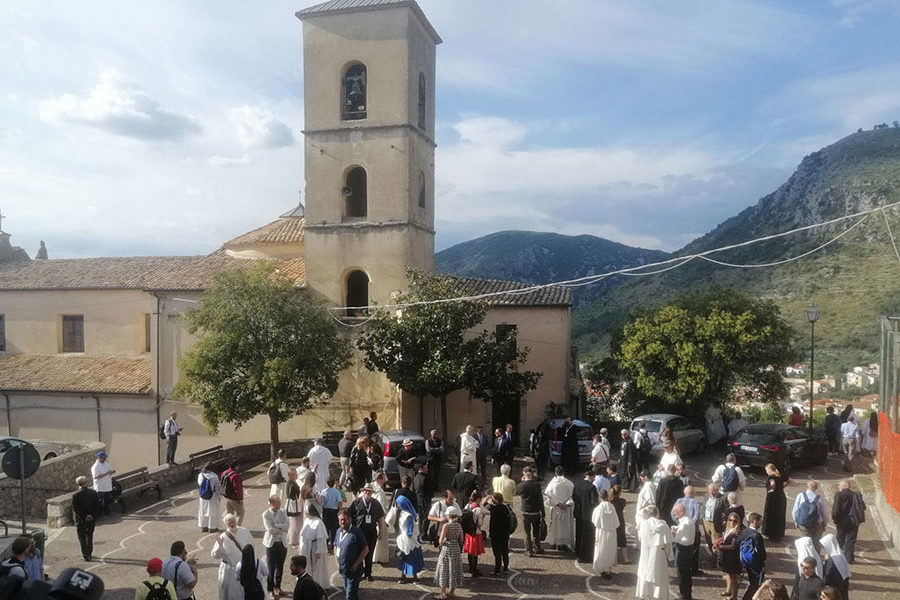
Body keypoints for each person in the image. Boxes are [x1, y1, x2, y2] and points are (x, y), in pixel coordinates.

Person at [210, 513, 253, 600]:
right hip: (229, 571)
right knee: (228, 594)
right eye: (229, 523)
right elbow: (215, 555)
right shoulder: (223, 537)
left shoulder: (245, 531)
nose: (232, 524)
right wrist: (220, 545)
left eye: (233, 522)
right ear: (226, 524)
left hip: (244, 568)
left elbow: (252, 547)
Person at [636, 505, 673, 600]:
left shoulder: (643, 524)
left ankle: (645, 594)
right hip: (658, 553)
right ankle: (658, 596)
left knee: (645, 572)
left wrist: (646, 511)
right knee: (658, 574)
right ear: (657, 513)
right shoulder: (663, 525)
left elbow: (639, 514)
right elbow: (668, 542)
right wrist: (669, 555)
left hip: (646, 552)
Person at [350, 483, 386, 582]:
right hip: (359, 532)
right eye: (366, 490)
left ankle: (368, 573)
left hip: (371, 532)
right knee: (359, 553)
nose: (367, 492)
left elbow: (380, 518)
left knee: (369, 553)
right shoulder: (356, 502)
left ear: (372, 492)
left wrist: (381, 530)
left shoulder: (376, 503)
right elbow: (350, 516)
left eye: (369, 491)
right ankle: (359, 572)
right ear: (363, 491)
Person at [333, 509, 368, 600]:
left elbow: (365, 550)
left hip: (354, 570)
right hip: (343, 569)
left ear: (350, 520)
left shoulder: (357, 532)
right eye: (341, 520)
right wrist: (336, 562)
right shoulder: (338, 532)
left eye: (345, 519)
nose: (343, 522)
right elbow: (335, 546)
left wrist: (356, 563)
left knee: (349, 595)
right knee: (350, 592)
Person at [435, 505, 464, 599]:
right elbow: (461, 539)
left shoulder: (446, 526)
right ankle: (452, 592)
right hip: (456, 548)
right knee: (454, 569)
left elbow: (441, 540)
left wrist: (440, 543)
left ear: (448, 515)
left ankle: (443, 593)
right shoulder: (459, 525)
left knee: (444, 569)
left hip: (447, 548)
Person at [832, 479, 865, 563]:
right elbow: (863, 507)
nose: (838, 487)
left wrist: (836, 520)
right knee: (851, 540)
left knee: (840, 539)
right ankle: (849, 559)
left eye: (839, 485)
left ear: (844, 486)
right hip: (854, 521)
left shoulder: (839, 495)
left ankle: (837, 557)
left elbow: (835, 510)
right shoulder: (856, 495)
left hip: (842, 522)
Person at [299, 505, 331, 591]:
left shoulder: (319, 522)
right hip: (307, 548)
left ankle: (320, 584)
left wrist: (319, 551)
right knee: (308, 567)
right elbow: (303, 536)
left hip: (315, 548)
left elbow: (321, 539)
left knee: (317, 568)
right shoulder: (306, 520)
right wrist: (301, 547)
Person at [393, 495, 424, 584]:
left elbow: (409, 531)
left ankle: (414, 577)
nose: (397, 505)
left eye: (398, 503)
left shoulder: (409, 516)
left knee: (410, 558)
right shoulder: (403, 512)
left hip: (410, 540)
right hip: (404, 539)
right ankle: (403, 576)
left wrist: (404, 539)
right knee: (404, 558)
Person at [544, 465, 575, 552]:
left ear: (555, 473)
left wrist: (557, 504)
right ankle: (564, 544)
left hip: (556, 509)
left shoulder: (552, 484)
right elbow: (573, 496)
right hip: (566, 509)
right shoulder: (569, 483)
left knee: (555, 527)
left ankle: (555, 543)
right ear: (564, 472)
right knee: (565, 527)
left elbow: (548, 497)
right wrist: (566, 504)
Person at [262, 495, 288, 596]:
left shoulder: (283, 512)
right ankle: (270, 588)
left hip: (282, 543)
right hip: (271, 544)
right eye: (278, 502)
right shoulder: (265, 514)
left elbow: (287, 525)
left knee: (280, 566)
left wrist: (276, 525)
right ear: (272, 503)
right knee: (271, 567)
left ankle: (278, 586)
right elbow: (270, 530)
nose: (280, 504)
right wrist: (281, 528)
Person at [515, 467, 545, 556]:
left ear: (524, 474)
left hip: (526, 511)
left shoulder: (521, 485)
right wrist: (543, 512)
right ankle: (537, 547)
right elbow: (540, 500)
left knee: (527, 532)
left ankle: (529, 550)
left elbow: (517, 492)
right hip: (536, 511)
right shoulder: (537, 485)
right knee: (536, 531)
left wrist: (522, 482)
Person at [572, 469, 598, 564]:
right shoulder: (592, 487)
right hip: (588, 515)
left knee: (579, 534)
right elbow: (594, 502)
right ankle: (587, 555)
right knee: (588, 537)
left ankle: (578, 553)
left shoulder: (577, 484)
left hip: (579, 514)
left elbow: (574, 497)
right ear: (591, 477)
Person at [72, 475, 100, 561]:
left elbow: (76, 509)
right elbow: (97, 506)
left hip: (80, 519)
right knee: (89, 535)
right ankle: (89, 553)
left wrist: (84, 516)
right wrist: (91, 515)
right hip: (91, 518)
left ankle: (85, 554)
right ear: (86, 483)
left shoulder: (75, 495)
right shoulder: (93, 493)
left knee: (82, 537)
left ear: (78, 484)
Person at [592, 489, 619, 579]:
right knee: (609, 550)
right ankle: (608, 568)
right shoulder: (612, 507)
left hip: (601, 531)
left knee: (601, 549)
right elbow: (617, 522)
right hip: (611, 532)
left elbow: (595, 521)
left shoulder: (598, 508)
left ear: (600, 497)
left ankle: (602, 569)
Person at [793, 481, 827, 551]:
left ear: (807, 487)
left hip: (803, 523)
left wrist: (796, 522)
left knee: (805, 542)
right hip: (816, 524)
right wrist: (824, 524)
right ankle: (816, 558)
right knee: (816, 542)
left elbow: (795, 511)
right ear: (816, 488)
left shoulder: (800, 495)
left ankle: (806, 558)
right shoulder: (819, 498)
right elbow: (823, 513)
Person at [484, 492, 513, 575]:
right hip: (505, 532)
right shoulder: (506, 507)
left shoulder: (493, 508)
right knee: (504, 550)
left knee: (497, 552)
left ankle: (497, 569)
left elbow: (483, 506)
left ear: (495, 500)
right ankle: (506, 568)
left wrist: (487, 498)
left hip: (495, 532)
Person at [677, 485, 702, 575]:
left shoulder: (678, 501)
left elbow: (673, 514)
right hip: (693, 530)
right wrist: (691, 524)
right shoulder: (695, 502)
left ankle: (683, 566)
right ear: (692, 493)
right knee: (694, 550)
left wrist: (679, 522)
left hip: (681, 528)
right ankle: (693, 569)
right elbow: (697, 515)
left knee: (681, 548)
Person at [718, 512, 744, 600]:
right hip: (727, 557)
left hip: (733, 558)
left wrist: (720, 547)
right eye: (730, 520)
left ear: (738, 522)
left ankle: (734, 596)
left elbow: (733, 546)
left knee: (734, 578)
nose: (732, 522)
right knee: (728, 575)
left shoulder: (737, 532)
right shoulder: (728, 530)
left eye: (735, 521)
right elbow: (724, 539)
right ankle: (728, 590)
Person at [672, 503, 695, 600]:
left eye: (676, 512)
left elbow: (685, 540)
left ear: (680, 512)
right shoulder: (687, 520)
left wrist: (674, 536)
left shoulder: (685, 523)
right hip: (687, 550)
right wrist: (677, 531)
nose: (674, 514)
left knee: (682, 573)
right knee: (686, 573)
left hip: (683, 550)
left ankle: (684, 595)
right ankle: (687, 593)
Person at [703, 482, 728, 567]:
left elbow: (727, 511)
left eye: (714, 491)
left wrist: (724, 521)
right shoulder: (706, 496)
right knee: (708, 540)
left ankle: (717, 560)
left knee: (716, 543)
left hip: (715, 523)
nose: (712, 493)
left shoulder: (723, 498)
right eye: (710, 491)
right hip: (706, 522)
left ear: (717, 490)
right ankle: (713, 556)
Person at [462, 490, 486, 577]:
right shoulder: (478, 510)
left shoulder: (468, 506)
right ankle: (474, 570)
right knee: (475, 553)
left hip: (468, 532)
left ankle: (470, 568)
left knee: (469, 552)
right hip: (476, 533)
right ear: (479, 499)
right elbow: (479, 523)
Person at [371, 472, 392, 565]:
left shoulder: (371, 486)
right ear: (380, 479)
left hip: (372, 516)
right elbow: (381, 506)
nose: (384, 481)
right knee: (380, 537)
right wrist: (385, 518)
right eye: (383, 479)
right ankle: (378, 557)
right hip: (379, 516)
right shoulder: (379, 491)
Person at [820, 534, 850, 600]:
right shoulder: (839, 555)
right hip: (842, 587)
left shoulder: (832, 562)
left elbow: (827, 576)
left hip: (833, 591)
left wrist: (825, 563)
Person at [762, 463, 786, 541]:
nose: (766, 472)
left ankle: (771, 533)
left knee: (771, 515)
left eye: (766, 470)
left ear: (769, 469)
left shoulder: (771, 477)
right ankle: (779, 533)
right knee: (779, 515)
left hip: (773, 498)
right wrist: (781, 487)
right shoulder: (779, 476)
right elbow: (789, 480)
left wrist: (771, 490)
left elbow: (772, 485)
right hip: (781, 497)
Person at [320, 477, 344, 550]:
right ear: (334, 483)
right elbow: (340, 502)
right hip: (334, 511)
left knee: (326, 527)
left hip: (326, 510)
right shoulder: (336, 492)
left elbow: (321, 502)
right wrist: (340, 510)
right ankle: (333, 544)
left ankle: (326, 543)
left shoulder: (323, 491)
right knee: (334, 528)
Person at [197, 462, 221, 533]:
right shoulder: (214, 476)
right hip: (212, 496)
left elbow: (199, 484)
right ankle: (212, 527)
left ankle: (203, 526)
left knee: (203, 511)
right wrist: (219, 497)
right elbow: (217, 488)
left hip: (203, 496)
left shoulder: (200, 475)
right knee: (212, 512)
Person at [91, 451, 116, 515]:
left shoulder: (106, 463)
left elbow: (109, 470)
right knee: (100, 501)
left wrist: (112, 472)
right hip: (100, 487)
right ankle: (99, 513)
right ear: (99, 458)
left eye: (105, 457)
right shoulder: (95, 467)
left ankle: (106, 511)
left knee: (107, 500)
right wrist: (106, 473)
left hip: (107, 485)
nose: (105, 459)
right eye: (103, 458)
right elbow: (96, 477)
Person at [610, 485, 629, 564]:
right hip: (620, 521)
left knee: (611, 539)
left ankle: (612, 558)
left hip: (612, 521)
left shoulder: (609, 502)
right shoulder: (623, 501)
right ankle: (626, 558)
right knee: (622, 539)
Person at [285, 469, 304, 549]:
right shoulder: (292, 484)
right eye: (295, 474)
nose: (297, 475)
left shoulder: (290, 483)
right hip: (294, 505)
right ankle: (294, 541)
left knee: (294, 522)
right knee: (295, 523)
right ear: (291, 476)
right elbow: (295, 494)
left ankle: (294, 539)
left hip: (292, 504)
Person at [413, 463, 433, 534]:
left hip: (419, 499)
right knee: (425, 517)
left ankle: (421, 532)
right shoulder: (424, 478)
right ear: (421, 469)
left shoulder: (416, 477)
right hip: (425, 499)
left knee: (421, 518)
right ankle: (423, 533)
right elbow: (428, 489)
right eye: (425, 468)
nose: (427, 469)